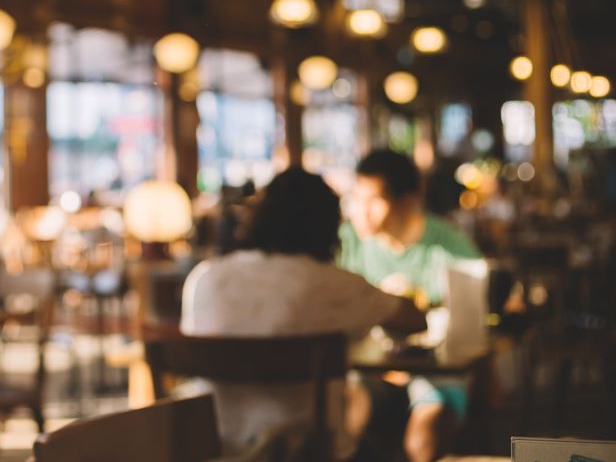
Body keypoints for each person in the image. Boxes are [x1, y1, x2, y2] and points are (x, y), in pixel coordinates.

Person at [181, 168, 426, 460]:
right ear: (328, 226)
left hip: (217, 451)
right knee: (394, 407)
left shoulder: (205, 279)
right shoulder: (334, 284)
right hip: (307, 452)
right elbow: (415, 320)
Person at [339, 149, 482, 462]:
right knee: (345, 426)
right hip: (366, 371)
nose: (360, 211)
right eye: (355, 198)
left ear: (408, 199)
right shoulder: (346, 240)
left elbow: (479, 308)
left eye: (374, 200)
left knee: (423, 442)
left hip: (436, 369)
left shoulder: (448, 243)